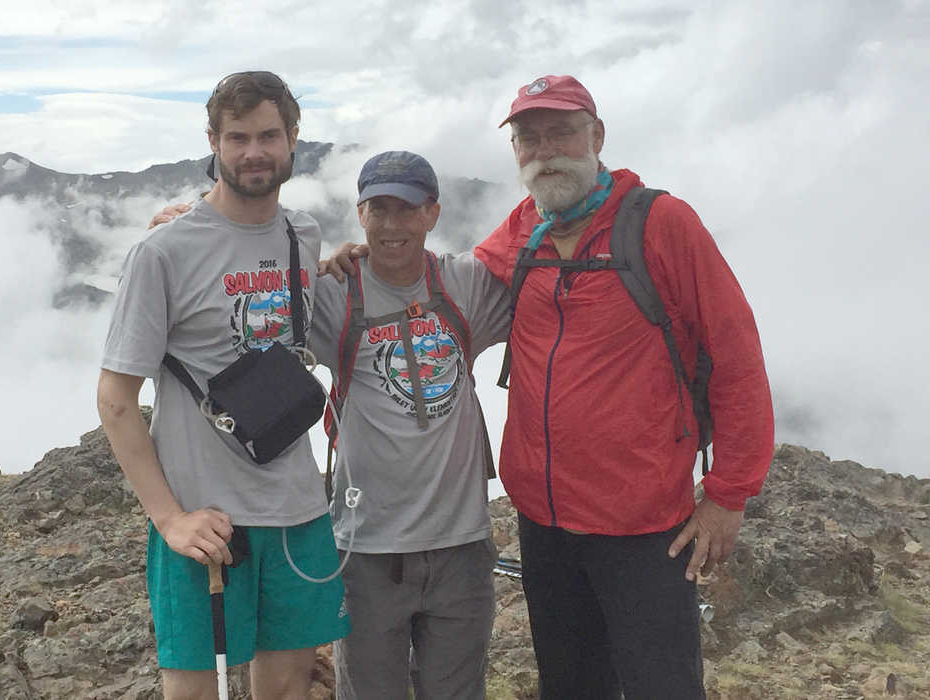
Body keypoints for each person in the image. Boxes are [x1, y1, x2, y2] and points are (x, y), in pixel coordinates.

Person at [471, 75, 776, 699]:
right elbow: (447, 292)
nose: (544, 149)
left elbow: (736, 356)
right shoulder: (523, 229)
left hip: (642, 525)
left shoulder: (660, 224)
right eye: (529, 139)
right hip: (543, 521)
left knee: (660, 684)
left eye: (561, 132)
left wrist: (728, 495)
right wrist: (365, 266)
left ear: (597, 136)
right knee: (571, 685)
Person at [97, 71, 349, 700]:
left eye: (269, 135)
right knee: (194, 692)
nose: (254, 152)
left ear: (293, 139)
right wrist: (169, 520)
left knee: (289, 687)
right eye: (237, 137)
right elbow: (115, 398)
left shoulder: (302, 234)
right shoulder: (163, 252)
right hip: (205, 520)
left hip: (296, 509)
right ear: (213, 141)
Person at [311, 151, 509, 699]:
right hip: (368, 549)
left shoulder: (463, 283)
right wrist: (187, 223)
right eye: (379, 209)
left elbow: (545, 272)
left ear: (432, 214)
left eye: (407, 209)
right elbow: (249, 296)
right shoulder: (334, 295)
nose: (391, 224)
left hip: (462, 547)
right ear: (360, 213)